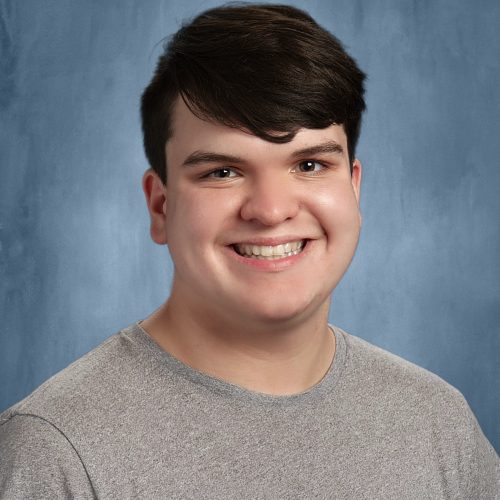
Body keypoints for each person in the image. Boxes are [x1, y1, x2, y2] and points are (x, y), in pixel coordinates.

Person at [1, 3, 498, 498]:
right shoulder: (55, 453)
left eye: (309, 165)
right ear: (160, 207)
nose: (271, 210)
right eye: (223, 172)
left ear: (354, 189)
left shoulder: (437, 424)